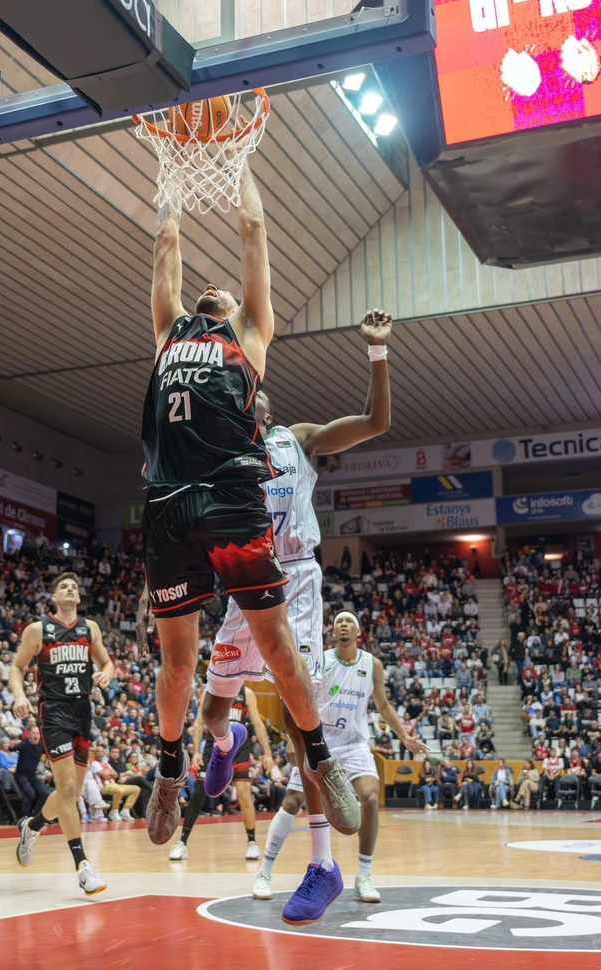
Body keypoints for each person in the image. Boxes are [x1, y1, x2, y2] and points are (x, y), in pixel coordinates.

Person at [139, 157, 359, 868]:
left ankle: (320, 761)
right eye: (206, 290)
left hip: (233, 502)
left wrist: (238, 157)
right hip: (170, 500)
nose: (212, 286)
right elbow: (165, 250)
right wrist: (171, 173)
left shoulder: (250, 336)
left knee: (280, 651)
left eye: (223, 289)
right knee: (177, 667)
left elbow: (254, 229)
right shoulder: (169, 330)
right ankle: (171, 770)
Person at [195, 309, 395, 919]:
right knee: (210, 713)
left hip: (298, 583)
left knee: (299, 723)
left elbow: (375, 421)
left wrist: (378, 353)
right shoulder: (221, 452)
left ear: (263, 401)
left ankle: (323, 867)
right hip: (243, 578)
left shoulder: (297, 439)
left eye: (249, 391)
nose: (243, 398)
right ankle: (225, 741)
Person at [256, 611, 425, 909]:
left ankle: (363, 876)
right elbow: (294, 696)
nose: (342, 626)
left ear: (358, 631)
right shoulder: (319, 660)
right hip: (320, 740)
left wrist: (405, 737)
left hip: (354, 743)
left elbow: (383, 706)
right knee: (293, 801)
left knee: (371, 797)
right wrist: (292, 739)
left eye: (348, 622)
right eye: (337, 623)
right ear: (333, 632)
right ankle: (264, 872)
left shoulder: (372, 665)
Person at [10, 573, 116, 895]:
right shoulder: (38, 630)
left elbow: (108, 663)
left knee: (71, 792)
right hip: (53, 710)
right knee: (67, 788)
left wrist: (106, 675)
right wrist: (19, 695)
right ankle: (83, 866)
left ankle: (32, 826)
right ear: (54, 597)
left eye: (74, 587)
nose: (70, 589)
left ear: (78, 598)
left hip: (82, 711)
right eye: (63, 587)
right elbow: (16, 668)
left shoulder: (90, 628)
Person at [170, 684, 273, 863]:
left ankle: (252, 842)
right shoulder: (210, 691)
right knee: (199, 792)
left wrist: (268, 753)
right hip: (214, 744)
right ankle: (182, 843)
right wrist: (196, 752)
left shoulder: (246, 693)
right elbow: (199, 722)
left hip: (239, 746)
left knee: (244, 793)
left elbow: (257, 723)